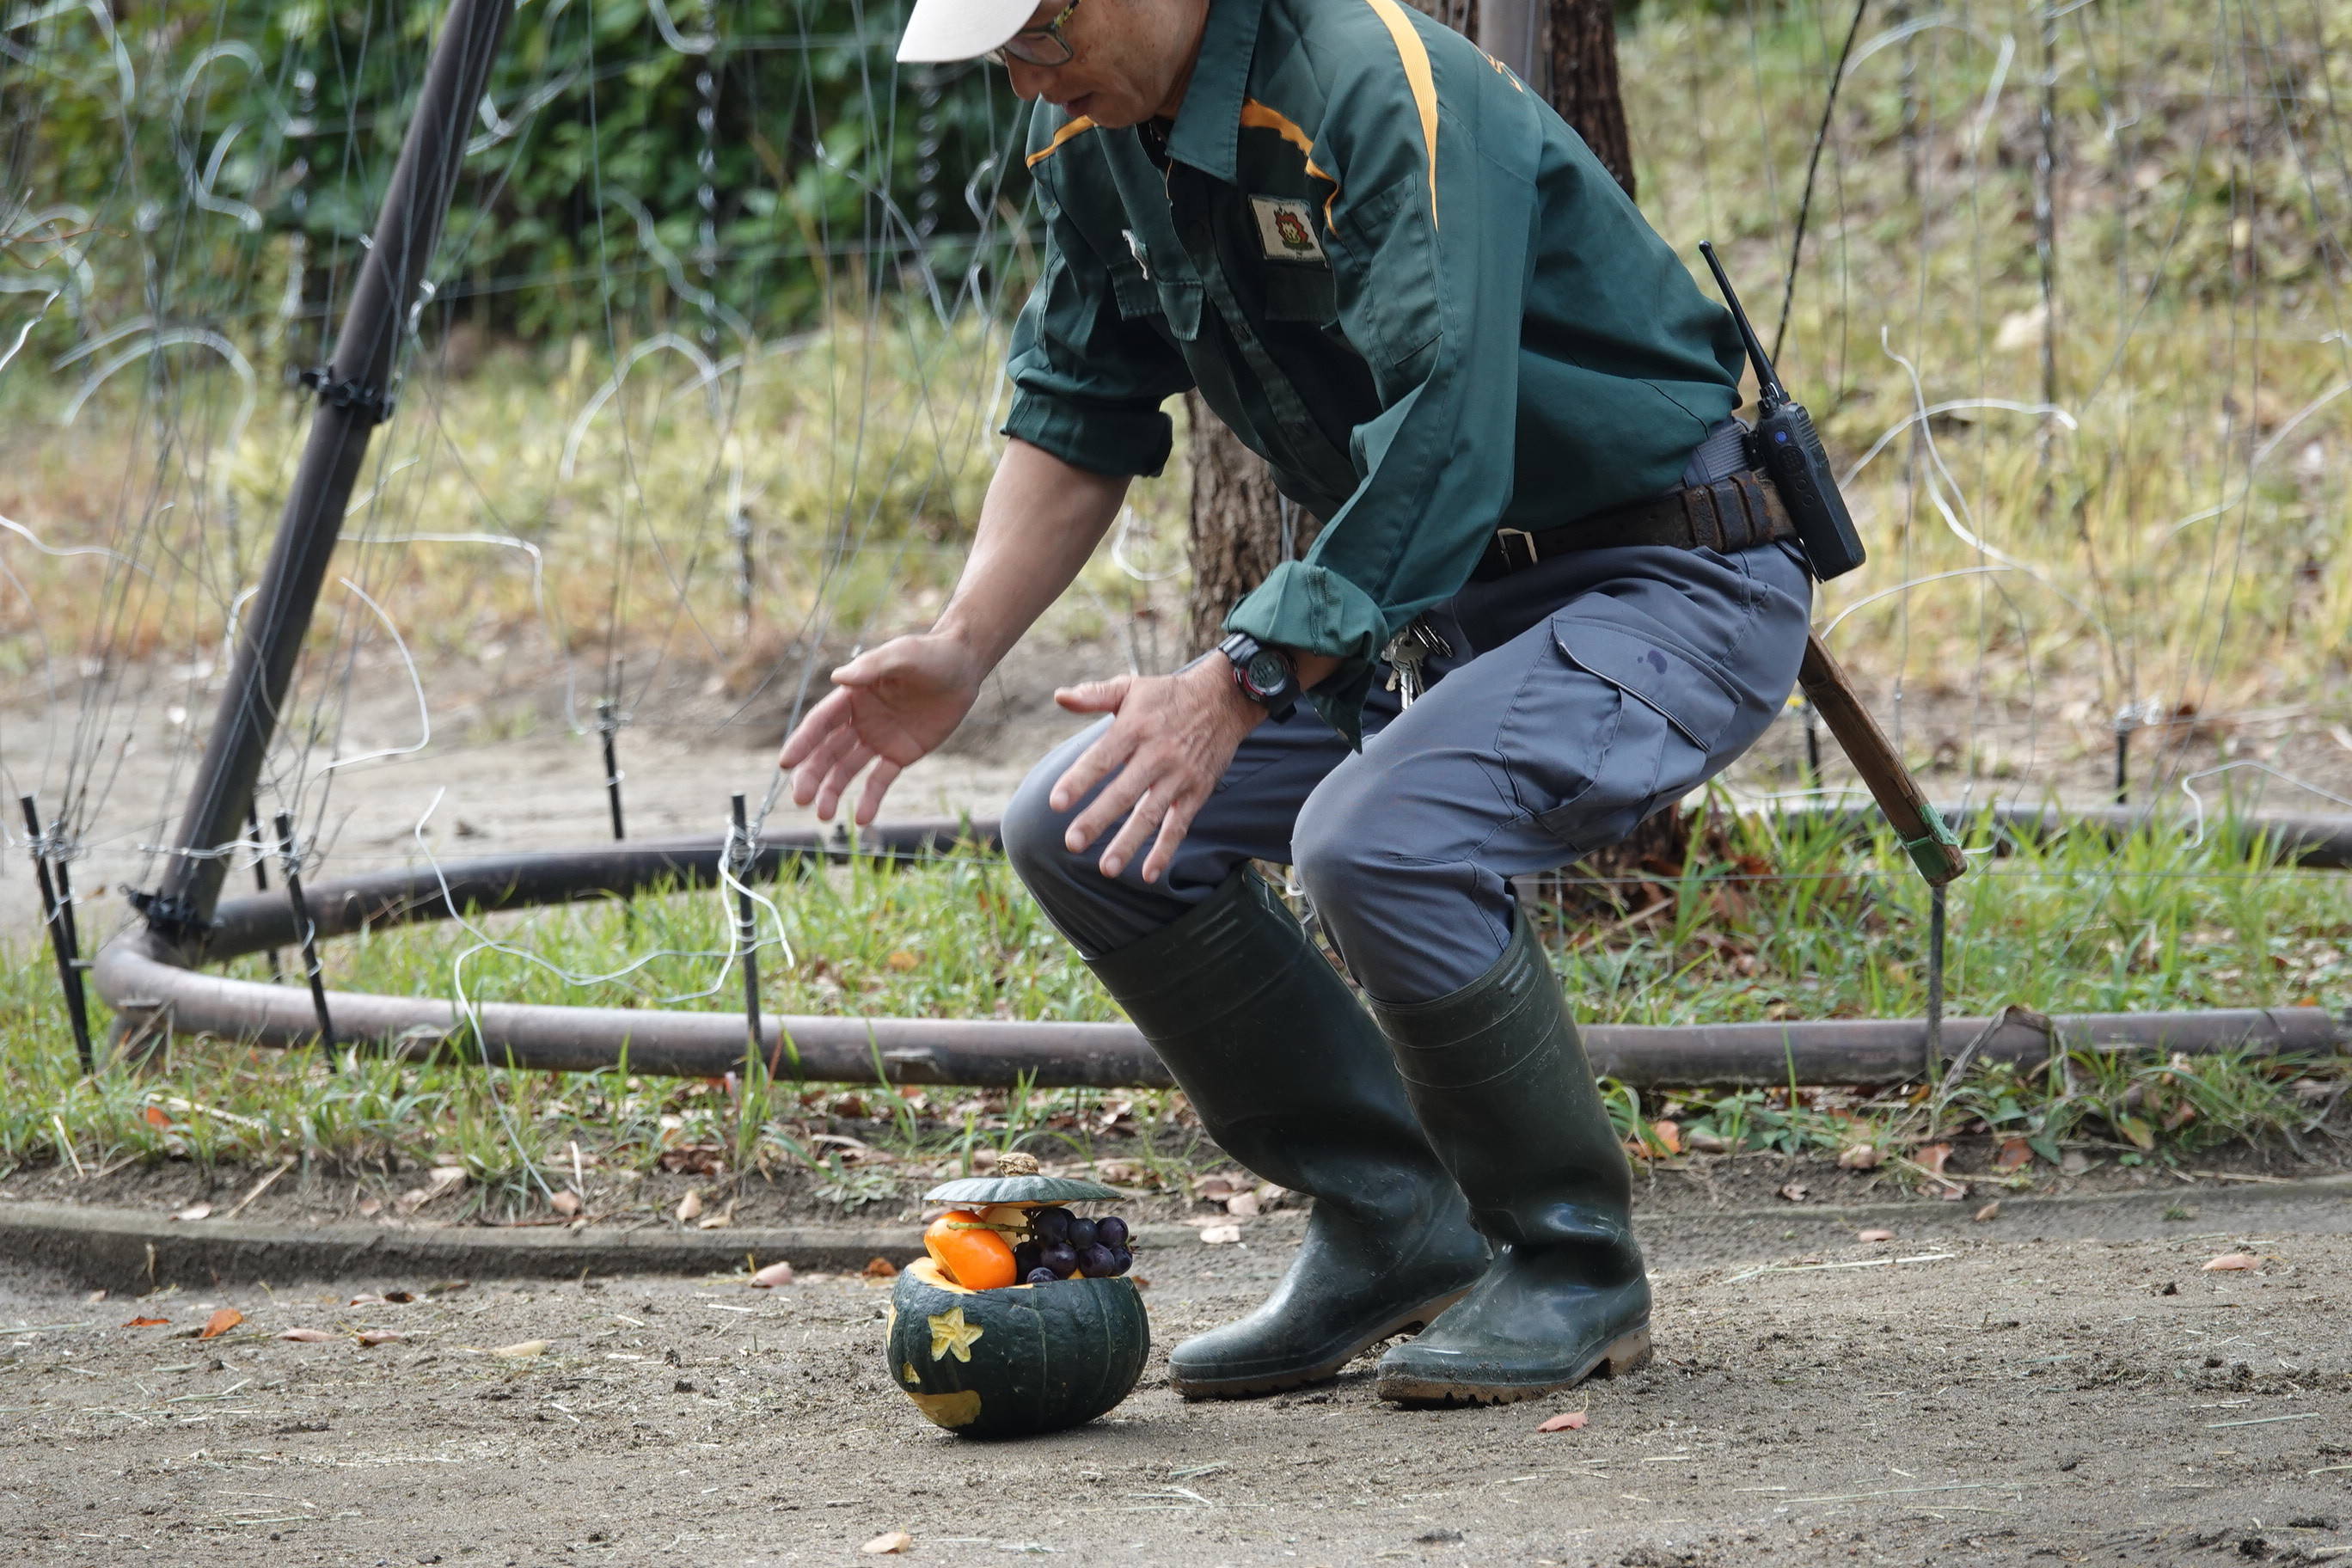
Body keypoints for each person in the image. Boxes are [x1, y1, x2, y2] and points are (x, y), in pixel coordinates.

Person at [777, 0, 1812, 1406]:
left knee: (1376, 836)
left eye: (1039, 36)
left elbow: (1447, 434)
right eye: (1004, 57)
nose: (1030, 83)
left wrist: (1246, 676)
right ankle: (1397, 1225)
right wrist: (964, 644)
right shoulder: (1103, 134)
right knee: (1076, 828)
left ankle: (1574, 1266)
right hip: (1430, 616)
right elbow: (1078, 394)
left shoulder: (1371, 90)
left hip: (1665, 580)